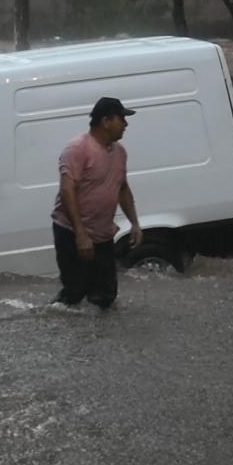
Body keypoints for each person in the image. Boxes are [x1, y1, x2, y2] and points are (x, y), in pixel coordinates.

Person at [50, 97, 143, 310]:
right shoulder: (78, 149)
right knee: (75, 293)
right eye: (122, 119)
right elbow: (67, 190)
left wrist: (135, 224)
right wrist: (81, 235)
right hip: (72, 233)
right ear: (106, 121)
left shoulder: (119, 152)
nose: (126, 125)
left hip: (103, 235)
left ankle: (102, 339)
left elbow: (122, 188)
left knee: (106, 296)